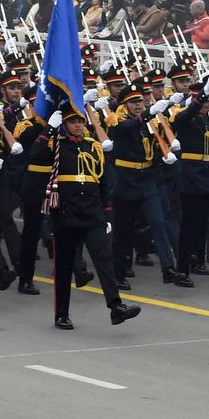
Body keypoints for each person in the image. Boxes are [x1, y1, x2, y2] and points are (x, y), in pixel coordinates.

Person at [46, 105, 141, 330]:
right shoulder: (56, 146)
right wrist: (48, 130)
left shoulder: (93, 146)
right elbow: (35, 155)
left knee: (104, 258)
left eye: (80, 121)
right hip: (66, 213)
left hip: (92, 211)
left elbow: (104, 182)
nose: (78, 125)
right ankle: (61, 314)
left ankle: (116, 307)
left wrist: (106, 213)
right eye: (72, 122)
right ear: (64, 125)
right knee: (64, 265)